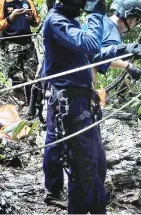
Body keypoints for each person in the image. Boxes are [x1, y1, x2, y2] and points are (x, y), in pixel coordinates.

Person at [42, 0, 110, 213]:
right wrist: (96, 14)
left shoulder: (69, 20)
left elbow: (89, 55)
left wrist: (125, 51)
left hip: (80, 104)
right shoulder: (56, 21)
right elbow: (89, 44)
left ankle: (98, 210)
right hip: (70, 107)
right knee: (83, 170)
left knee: (97, 163)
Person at [89, 0, 141, 87]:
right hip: (79, 85)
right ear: (131, 19)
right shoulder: (113, 36)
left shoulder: (98, 20)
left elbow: (101, 55)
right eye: (137, 21)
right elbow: (96, 59)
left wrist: (127, 66)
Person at [0, 0, 40, 105]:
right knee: (16, 78)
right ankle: (21, 107)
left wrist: (31, 19)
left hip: (28, 43)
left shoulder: (27, 1)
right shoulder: (3, 2)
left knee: (31, 77)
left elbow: (36, 21)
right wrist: (10, 17)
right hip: (12, 45)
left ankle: (33, 106)